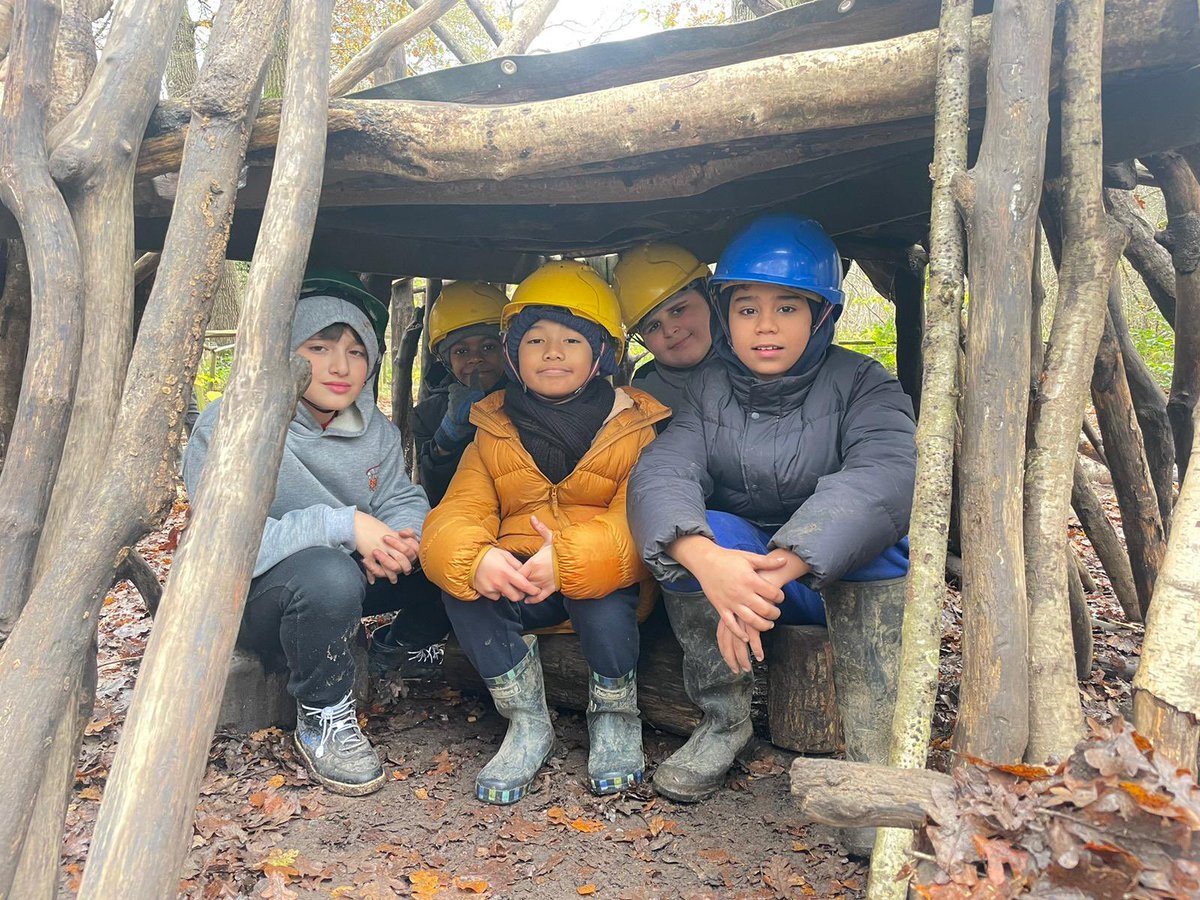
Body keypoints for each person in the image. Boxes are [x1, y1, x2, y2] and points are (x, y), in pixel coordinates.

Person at [628, 214, 916, 853]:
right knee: (705, 535)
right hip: (742, 583)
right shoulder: (705, 390)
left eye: (787, 306)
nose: (764, 325)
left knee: (881, 549)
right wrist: (708, 561)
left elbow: (882, 479)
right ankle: (724, 721)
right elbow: (663, 473)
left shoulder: (865, 383)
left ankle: (876, 766)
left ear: (821, 315)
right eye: (746, 307)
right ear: (724, 314)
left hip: (821, 578)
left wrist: (775, 567)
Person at [420, 260, 669, 805]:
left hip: (601, 574)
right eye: (535, 339)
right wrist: (477, 559)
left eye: (571, 339)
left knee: (600, 599)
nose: (552, 352)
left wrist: (570, 560)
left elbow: (640, 519)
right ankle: (527, 721)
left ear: (602, 353)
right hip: (520, 573)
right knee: (466, 593)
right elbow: (455, 513)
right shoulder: (490, 428)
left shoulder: (637, 427)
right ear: (514, 353)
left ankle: (616, 717)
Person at [183, 281, 431, 797]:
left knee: (448, 554)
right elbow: (224, 547)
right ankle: (323, 717)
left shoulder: (374, 429)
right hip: (251, 595)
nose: (340, 367)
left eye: (356, 351)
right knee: (327, 572)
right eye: (319, 348)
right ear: (285, 353)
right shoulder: (230, 423)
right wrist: (344, 525)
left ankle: (394, 649)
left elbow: (399, 498)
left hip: (340, 579)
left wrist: (402, 539)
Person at [411, 281, 508, 505]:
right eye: (462, 351)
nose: (475, 358)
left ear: (506, 350)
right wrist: (446, 440)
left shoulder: (529, 398)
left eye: (488, 347)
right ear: (446, 361)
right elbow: (435, 496)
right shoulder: (427, 417)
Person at [612, 242, 715, 413]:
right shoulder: (646, 389)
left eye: (678, 310)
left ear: (710, 298)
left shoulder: (752, 358)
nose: (669, 331)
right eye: (654, 326)